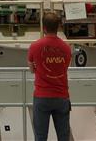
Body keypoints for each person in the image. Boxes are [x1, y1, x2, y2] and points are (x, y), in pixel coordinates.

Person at [27, 11, 72, 141]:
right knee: (63, 137)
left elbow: (31, 69)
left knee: (40, 137)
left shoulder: (35, 46)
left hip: (42, 97)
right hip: (61, 96)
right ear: (58, 27)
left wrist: (40, 69)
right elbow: (65, 67)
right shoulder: (66, 47)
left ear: (43, 27)